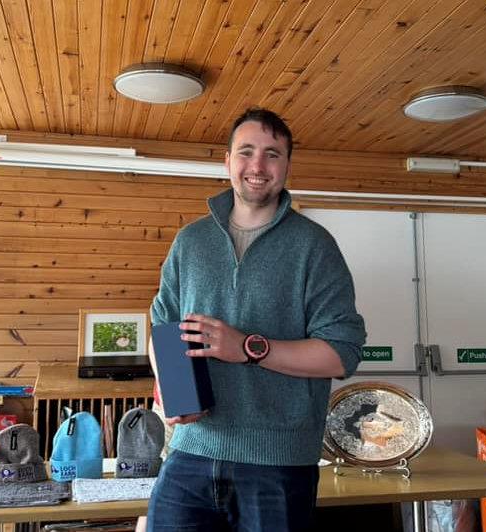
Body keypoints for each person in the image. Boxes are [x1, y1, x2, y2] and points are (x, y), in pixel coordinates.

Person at [146, 107, 367, 531]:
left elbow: (341, 353)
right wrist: (170, 388)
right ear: (227, 161)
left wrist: (246, 347)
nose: (257, 166)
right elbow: (164, 325)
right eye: (246, 152)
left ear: (286, 166)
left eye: (272, 154)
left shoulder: (315, 246)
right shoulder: (190, 241)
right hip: (190, 453)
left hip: (278, 465)